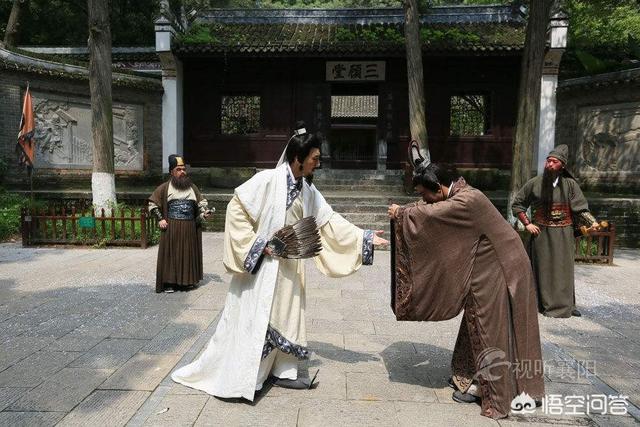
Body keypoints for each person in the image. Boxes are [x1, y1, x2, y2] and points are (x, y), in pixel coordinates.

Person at [171, 121, 388, 399]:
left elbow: (328, 221)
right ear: (298, 158)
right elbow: (237, 207)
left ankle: (283, 371)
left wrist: (363, 237)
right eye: (314, 158)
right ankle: (249, 376)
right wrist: (258, 245)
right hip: (263, 266)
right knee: (261, 318)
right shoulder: (266, 180)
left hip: (290, 266)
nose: (317, 164)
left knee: (286, 316)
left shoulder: (308, 191)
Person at [388, 158, 544, 419]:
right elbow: (434, 208)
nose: (423, 200)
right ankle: (475, 378)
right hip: (500, 263)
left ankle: (493, 393)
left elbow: (433, 214)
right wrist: (408, 209)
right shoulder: (462, 193)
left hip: (501, 268)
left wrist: (402, 213)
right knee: (481, 322)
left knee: (489, 327)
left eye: (424, 194)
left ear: (439, 187)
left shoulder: (468, 200)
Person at [512, 144, 600, 318]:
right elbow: (518, 204)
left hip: (564, 232)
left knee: (564, 269)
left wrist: (593, 222)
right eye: (548, 161)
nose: (549, 164)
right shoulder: (535, 183)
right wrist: (527, 224)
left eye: (554, 161)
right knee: (543, 268)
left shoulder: (570, 185)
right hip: (542, 232)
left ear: (562, 165)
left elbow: (580, 209)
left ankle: (567, 305)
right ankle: (539, 303)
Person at [148, 154, 211, 293]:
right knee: (171, 254)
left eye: (183, 169)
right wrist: (160, 219)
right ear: (172, 172)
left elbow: (201, 203)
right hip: (172, 227)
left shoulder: (192, 187)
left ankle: (186, 282)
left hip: (189, 227)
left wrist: (205, 212)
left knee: (187, 254)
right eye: (178, 169)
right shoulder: (165, 188)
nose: (182, 172)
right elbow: (152, 204)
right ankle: (169, 283)